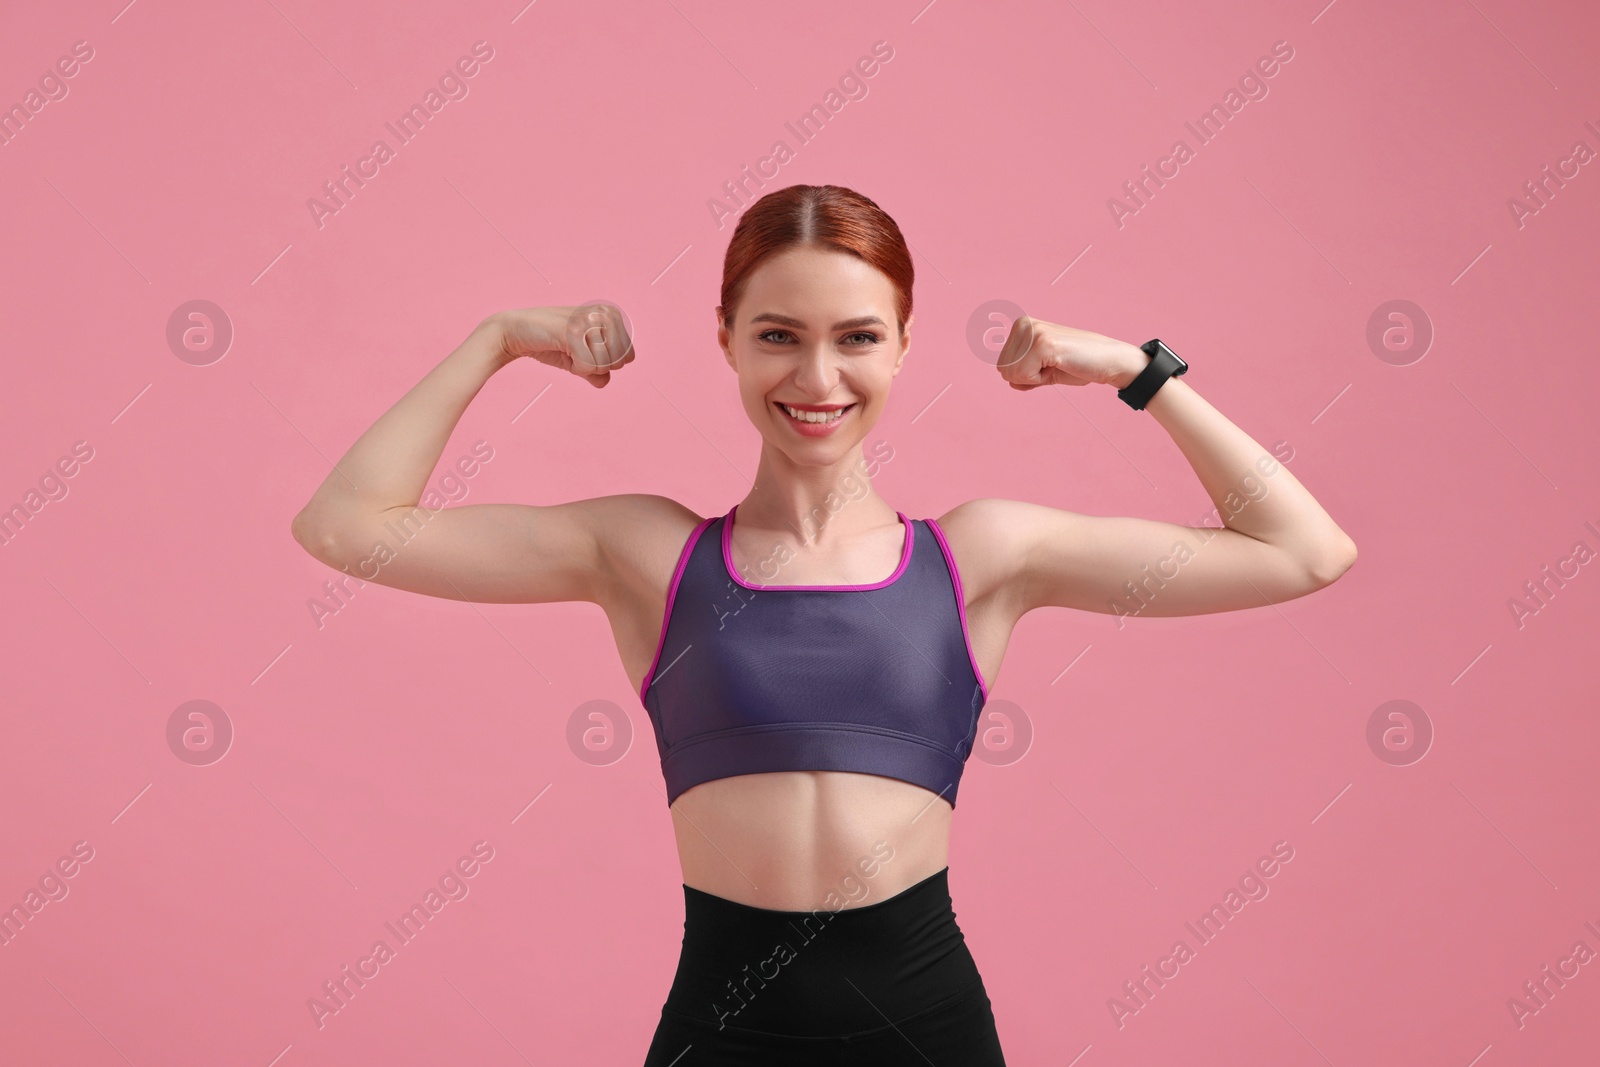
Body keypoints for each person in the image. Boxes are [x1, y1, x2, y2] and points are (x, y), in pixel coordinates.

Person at [290, 184, 1357, 1064]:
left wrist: (1136, 371)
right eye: (776, 337)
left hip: (927, 1032)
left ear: (901, 346)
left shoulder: (980, 557)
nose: (816, 377)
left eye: (855, 338)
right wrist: (497, 340)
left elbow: (1300, 551)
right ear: (726, 341)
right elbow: (346, 526)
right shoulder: (646, 554)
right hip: (721, 1031)